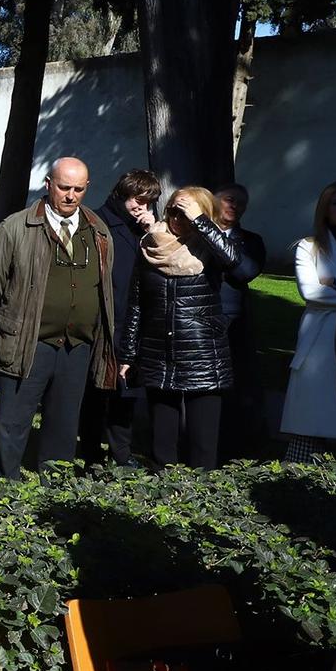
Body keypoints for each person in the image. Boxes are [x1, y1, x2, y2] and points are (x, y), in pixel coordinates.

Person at [0, 156, 119, 478]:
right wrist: (21, 309)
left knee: (64, 422)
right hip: (29, 342)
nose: (70, 195)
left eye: (78, 189)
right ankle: (1, 484)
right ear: (48, 184)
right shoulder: (17, 227)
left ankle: (56, 481)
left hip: (77, 345)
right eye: (64, 187)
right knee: (13, 421)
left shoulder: (97, 230)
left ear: (87, 188)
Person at [117, 186, 241, 469]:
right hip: (159, 353)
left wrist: (201, 222)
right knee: (162, 445)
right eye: (172, 210)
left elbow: (234, 261)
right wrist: (127, 355)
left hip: (203, 356)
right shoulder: (151, 244)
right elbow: (137, 303)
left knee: (202, 446)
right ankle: (165, 502)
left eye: (184, 213)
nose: (176, 218)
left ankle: (200, 504)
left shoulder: (210, 249)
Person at [80, 170, 159, 466]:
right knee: (96, 391)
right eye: (138, 199)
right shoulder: (98, 223)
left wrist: (153, 231)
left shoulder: (144, 228)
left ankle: (120, 453)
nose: (142, 206)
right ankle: (90, 452)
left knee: (126, 391)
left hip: (134, 320)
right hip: (103, 320)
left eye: (149, 201)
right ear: (122, 194)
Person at [280, 182, 336, 463]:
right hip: (322, 335)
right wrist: (327, 288)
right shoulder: (310, 246)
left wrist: (334, 286)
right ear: (325, 209)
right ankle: (303, 475)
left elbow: (326, 290)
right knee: (314, 410)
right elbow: (311, 291)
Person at [216, 182, 270, 458]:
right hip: (200, 319)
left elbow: (244, 272)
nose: (234, 206)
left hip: (233, 322)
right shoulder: (194, 235)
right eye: (228, 199)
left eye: (241, 203)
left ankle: (238, 448)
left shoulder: (251, 241)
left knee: (237, 387)